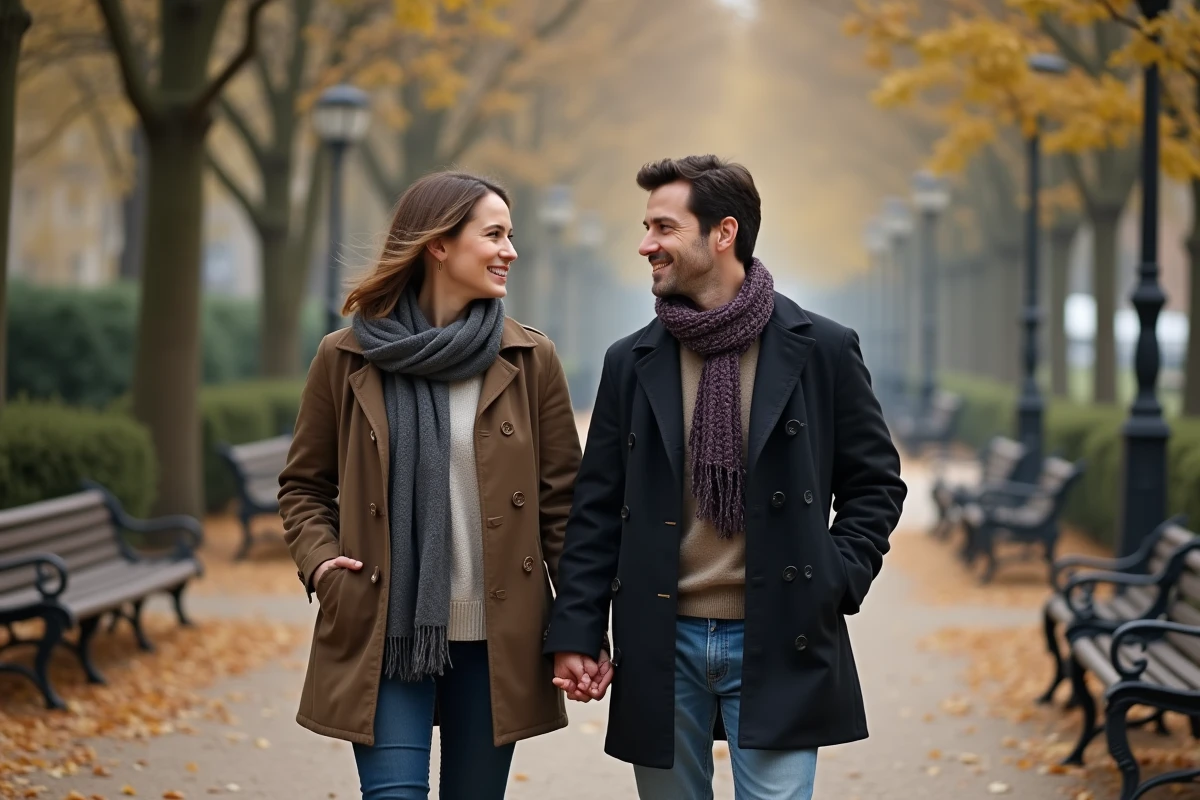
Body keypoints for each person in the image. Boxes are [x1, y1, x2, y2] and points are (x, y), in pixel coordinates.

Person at [544, 155, 907, 800]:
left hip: (783, 627)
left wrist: (836, 577)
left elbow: (875, 483)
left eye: (663, 227)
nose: (645, 244)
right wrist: (576, 629)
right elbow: (596, 508)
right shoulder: (632, 361)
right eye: (647, 227)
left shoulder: (819, 347)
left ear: (724, 233)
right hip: (662, 637)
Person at [279, 170, 593, 800]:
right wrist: (321, 567)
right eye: (495, 234)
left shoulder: (530, 360)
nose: (511, 250)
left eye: (512, 235)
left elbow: (564, 509)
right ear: (439, 245)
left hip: (496, 636)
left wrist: (580, 628)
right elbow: (303, 487)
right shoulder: (345, 358)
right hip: (384, 628)